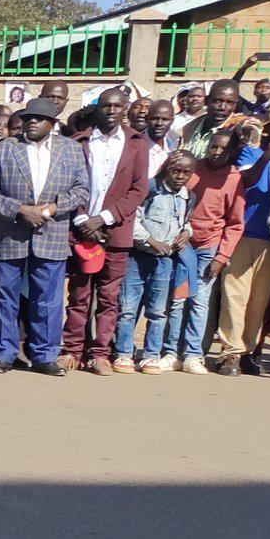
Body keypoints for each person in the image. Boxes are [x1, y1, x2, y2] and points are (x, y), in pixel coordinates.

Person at [0, 97, 90, 375]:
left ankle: (44, 355)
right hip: (10, 233)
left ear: (52, 124)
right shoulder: (6, 149)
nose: (31, 122)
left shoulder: (71, 149)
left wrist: (55, 207)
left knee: (49, 299)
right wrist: (19, 210)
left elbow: (82, 191)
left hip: (51, 233)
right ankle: (2, 353)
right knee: (3, 297)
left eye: (38, 119)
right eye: (28, 118)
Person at [61, 97, 150, 373]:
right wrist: (83, 218)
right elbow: (69, 183)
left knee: (109, 297)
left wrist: (105, 218)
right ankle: (72, 350)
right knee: (79, 294)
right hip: (82, 229)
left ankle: (100, 353)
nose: (111, 111)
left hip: (116, 231)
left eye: (117, 106)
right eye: (106, 106)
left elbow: (139, 189)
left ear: (125, 109)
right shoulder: (82, 142)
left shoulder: (136, 144)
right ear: (97, 109)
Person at [212, 110, 270, 376]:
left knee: (259, 300)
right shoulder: (251, 153)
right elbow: (246, 180)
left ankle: (248, 350)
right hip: (244, 232)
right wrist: (267, 157)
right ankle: (229, 353)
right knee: (234, 295)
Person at [170, 129, 248, 375]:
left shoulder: (233, 178)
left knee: (199, 302)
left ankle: (193, 354)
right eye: (213, 146)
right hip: (182, 245)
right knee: (177, 299)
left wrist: (221, 257)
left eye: (223, 149)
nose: (216, 152)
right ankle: (170, 351)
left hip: (208, 248)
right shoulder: (192, 169)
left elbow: (235, 223)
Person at [113, 151, 196, 374]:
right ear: (167, 168)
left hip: (165, 260)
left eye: (185, 172)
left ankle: (151, 355)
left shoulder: (188, 196)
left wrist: (186, 233)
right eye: (175, 170)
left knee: (158, 311)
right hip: (139, 256)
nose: (179, 176)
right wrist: (150, 240)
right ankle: (123, 353)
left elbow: (186, 221)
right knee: (128, 308)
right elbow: (134, 219)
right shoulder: (150, 189)